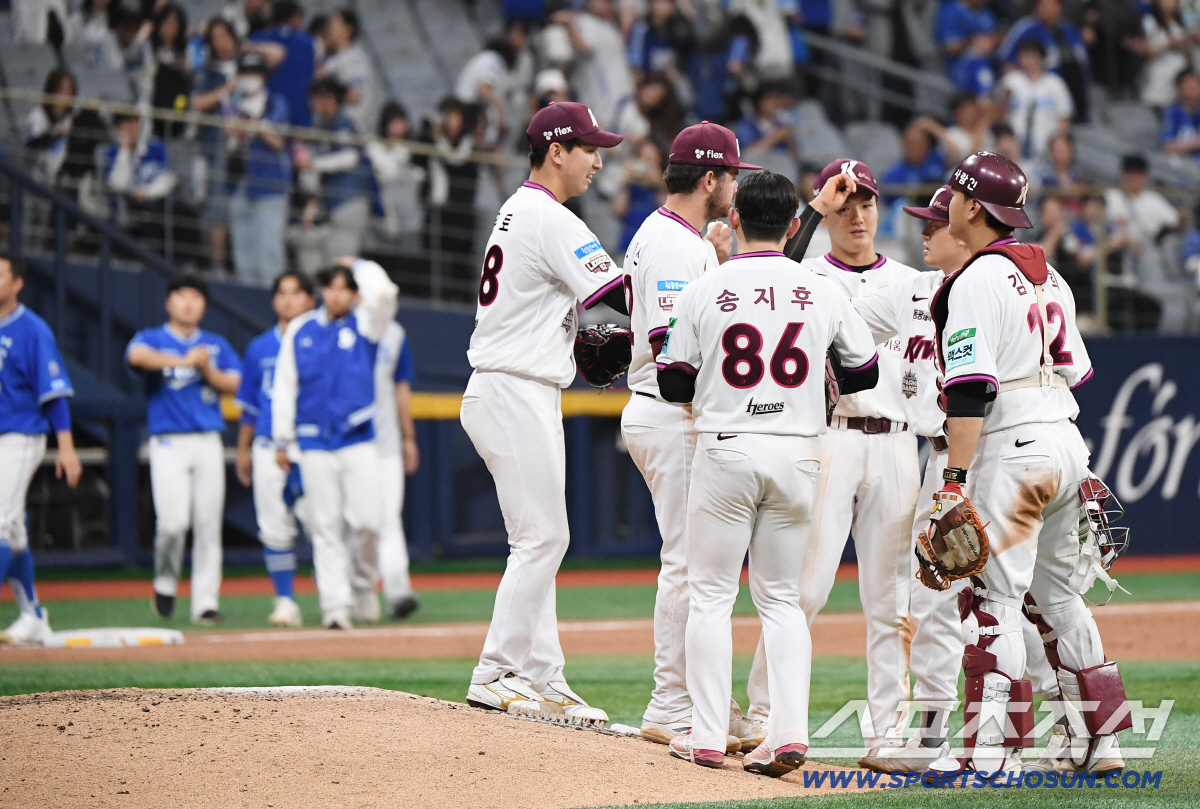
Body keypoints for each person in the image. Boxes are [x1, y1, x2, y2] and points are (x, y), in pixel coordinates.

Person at [657, 170, 880, 774]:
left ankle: (705, 735)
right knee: (781, 600)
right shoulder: (820, 289)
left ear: (733, 221)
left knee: (709, 596)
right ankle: (787, 732)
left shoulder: (708, 286)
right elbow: (865, 375)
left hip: (727, 448)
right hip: (797, 451)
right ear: (791, 225)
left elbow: (672, 378)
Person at [923, 151, 1128, 779]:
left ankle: (992, 756)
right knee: (1060, 596)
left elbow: (969, 389)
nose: (948, 204)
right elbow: (1075, 371)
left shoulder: (976, 279)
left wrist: (954, 480)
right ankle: (1100, 742)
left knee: (992, 600)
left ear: (973, 208)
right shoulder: (1053, 276)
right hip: (1065, 440)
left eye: (955, 196)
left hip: (1012, 444)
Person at [846, 186, 1064, 771]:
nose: (923, 231)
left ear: (965, 227)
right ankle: (938, 735)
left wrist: (956, 482)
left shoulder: (988, 286)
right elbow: (825, 313)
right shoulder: (915, 288)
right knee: (942, 600)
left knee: (1002, 603)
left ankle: (1030, 734)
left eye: (935, 222)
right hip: (955, 453)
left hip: (982, 457)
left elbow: (983, 392)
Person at [460, 102, 627, 724]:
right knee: (544, 538)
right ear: (557, 150)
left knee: (540, 540)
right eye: (588, 148)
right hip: (514, 389)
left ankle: (543, 677)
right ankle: (496, 671)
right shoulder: (545, 213)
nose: (597, 159)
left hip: (517, 385)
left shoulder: (519, 211)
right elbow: (618, 294)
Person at [619, 121, 747, 747]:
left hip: (668, 413)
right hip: (671, 412)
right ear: (708, 178)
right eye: (729, 176)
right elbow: (674, 353)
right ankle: (673, 704)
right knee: (689, 565)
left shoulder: (678, 237)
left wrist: (719, 264)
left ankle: (702, 701)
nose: (733, 188)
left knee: (697, 564)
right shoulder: (671, 242)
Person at [792, 158, 922, 768]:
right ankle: (768, 716)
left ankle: (887, 733)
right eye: (844, 205)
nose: (857, 215)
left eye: (865, 202)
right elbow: (769, 268)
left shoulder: (912, 283)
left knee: (891, 600)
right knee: (802, 590)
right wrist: (813, 209)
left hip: (897, 442)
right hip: (829, 437)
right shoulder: (804, 275)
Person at [271, 259, 398, 629]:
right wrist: (282, 439)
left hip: (357, 437)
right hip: (313, 440)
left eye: (345, 287)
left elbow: (385, 294)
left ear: (355, 293)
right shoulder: (300, 329)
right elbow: (284, 385)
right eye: (330, 287)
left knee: (369, 522)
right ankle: (335, 607)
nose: (336, 294)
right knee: (324, 527)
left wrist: (360, 265)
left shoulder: (367, 323)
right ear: (321, 292)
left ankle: (361, 584)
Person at [127, 274, 241, 625]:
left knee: (208, 524)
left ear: (204, 305)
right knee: (173, 523)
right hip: (168, 440)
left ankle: (205, 602)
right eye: (181, 295)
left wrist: (207, 369)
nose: (188, 303)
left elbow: (236, 382)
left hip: (207, 438)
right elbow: (136, 356)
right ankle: (165, 580)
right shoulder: (153, 337)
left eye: (195, 297)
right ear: (168, 302)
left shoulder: (215, 344)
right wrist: (183, 361)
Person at [0, 252, 82, 646]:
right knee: (13, 530)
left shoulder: (32, 329)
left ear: (17, 283)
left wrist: (66, 447)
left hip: (19, 436)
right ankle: (32, 615)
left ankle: (31, 615)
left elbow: (53, 395)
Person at [234, 271, 315, 628]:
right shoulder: (259, 347)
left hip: (313, 445)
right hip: (267, 445)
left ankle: (339, 598)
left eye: (296, 293)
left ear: (310, 299)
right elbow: (249, 407)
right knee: (273, 528)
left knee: (325, 525)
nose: (288, 300)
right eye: (281, 293)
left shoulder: (321, 339)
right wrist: (242, 450)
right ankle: (285, 599)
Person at [293, 77, 372, 275]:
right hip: (330, 205)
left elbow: (350, 157)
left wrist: (314, 164)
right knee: (321, 261)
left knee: (340, 266)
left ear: (331, 99)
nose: (314, 104)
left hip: (349, 202)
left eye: (319, 98)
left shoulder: (342, 122)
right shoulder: (322, 125)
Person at [225, 51, 292, 285]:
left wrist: (255, 124)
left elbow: (279, 141)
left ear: (263, 76)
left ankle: (276, 305)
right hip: (238, 184)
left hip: (270, 185)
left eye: (254, 72)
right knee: (243, 254)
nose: (249, 77)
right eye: (244, 72)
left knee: (269, 251)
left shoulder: (276, 102)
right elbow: (224, 143)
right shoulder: (231, 104)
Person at [373, 317, 421, 619]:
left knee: (388, 519)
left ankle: (398, 590)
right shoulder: (324, 329)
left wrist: (408, 437)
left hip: (386, 443)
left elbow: (401, 388)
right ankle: (351, 592)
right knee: (352, 524)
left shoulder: (393, 333)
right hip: (340, 444)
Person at [190, 17, 242, 273]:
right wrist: (226, 89)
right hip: (217, 145)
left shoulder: (248, 64)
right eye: (215, 37)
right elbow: (196, 103)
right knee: (217, 207)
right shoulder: (208, 71)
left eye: (225, 35)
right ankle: (218, 265)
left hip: (249, 145)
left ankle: (243, 264)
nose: (221, 42)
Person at [998, 0, 1091, 121]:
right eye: (1045, 5)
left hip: (1075, 99)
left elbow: (1084, 63)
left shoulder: (1069, 29)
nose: (1050, 9)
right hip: (1041, 100)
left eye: (1053, 5)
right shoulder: (1025, 28)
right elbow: (1006, 61)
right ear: (1036, 7)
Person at [554, 0, 636, 129]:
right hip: (602, 103)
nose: (605, 3)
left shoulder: (609, 25)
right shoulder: (583, 21)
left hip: (623, 97)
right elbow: (584, 46)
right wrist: (569, 25)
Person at [999, 38, 1074, 161]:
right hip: (1014, 148)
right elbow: (999, 114)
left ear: (1040, 57)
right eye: (1022, 56)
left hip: (1046, 149)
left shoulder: (1055, 83)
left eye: (1030, 55)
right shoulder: (1010, 81)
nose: (1026, 60)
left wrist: (1056, 143)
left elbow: (1064, 116)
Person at [249, 0, 316, 127]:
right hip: (299, 114)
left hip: (265, 113)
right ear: (294, 17)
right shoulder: (307, 43)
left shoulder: (258, 38)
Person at [367, 101, 425, 243]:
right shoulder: (374, 148)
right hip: (383, 209)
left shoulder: (414, 150)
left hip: (411, 212)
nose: (399, 127)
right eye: (395, 122)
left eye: (402, 122)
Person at [318, 8, 378, 135]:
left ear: (348, 29)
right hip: (334, 128)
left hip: (353, 130)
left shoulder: (354, 58)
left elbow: (355, 94)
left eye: (334, 25)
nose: (329, 29)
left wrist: (330, 92)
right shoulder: (333, 59)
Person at [1140, 0, 1199, 111]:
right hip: (1159, 75)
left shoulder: (1181, 23)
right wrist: (1169, 44)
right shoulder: (1149, 21)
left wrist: (1189, 42)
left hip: (1179, 78)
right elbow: (1147, 53)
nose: (1171, 3)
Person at [1161, 68, 1200, 158]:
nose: (1194, 89)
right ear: (1180, 89)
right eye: (1189, 86)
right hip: (1182, 165)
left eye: (1196, 85)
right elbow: (1167, 146)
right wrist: (1194, 143)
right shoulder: (1172, 113)